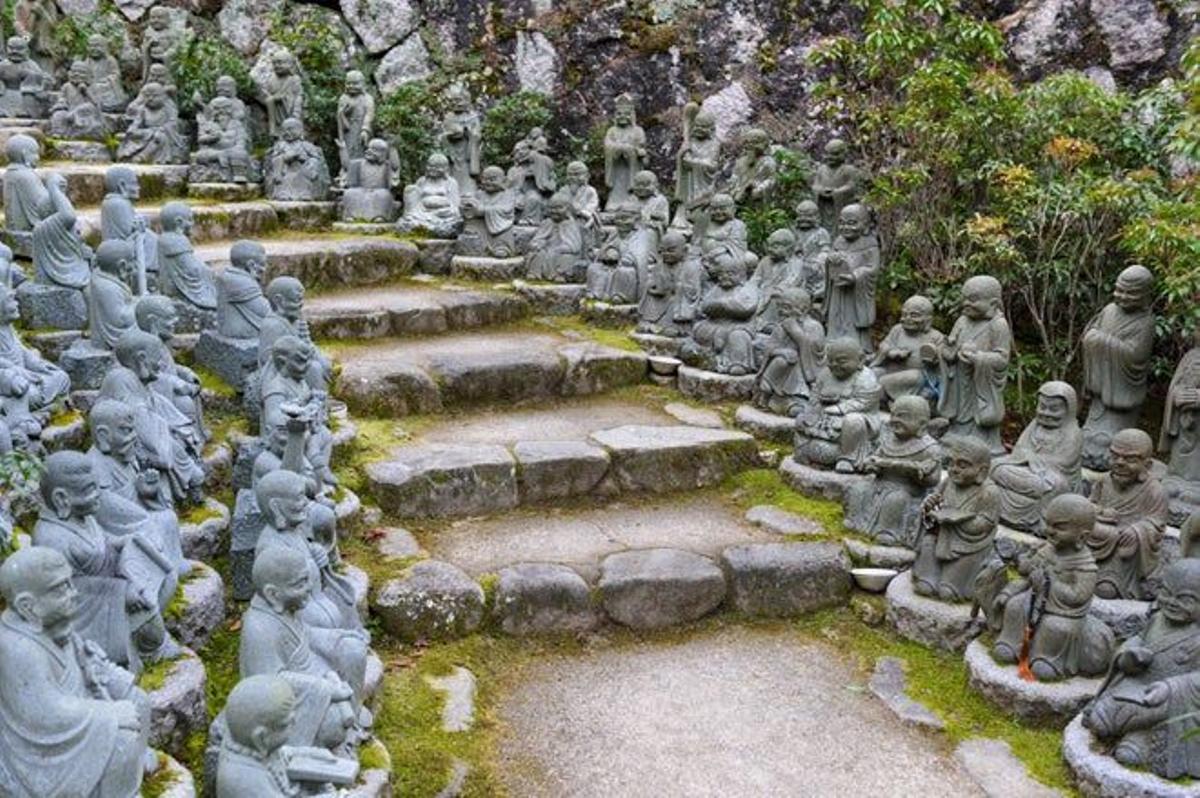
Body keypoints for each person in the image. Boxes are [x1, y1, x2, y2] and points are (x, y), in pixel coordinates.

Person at [0, 546, 153, 798]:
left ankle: (130, 769)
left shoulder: (52, 623)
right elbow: (45, 712)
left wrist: (108, 675)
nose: (74, 593)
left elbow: (83, 656)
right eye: (61, 589)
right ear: (27, 606)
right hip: (41, 751)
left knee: (139, 700)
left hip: (80, 713)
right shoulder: (17, 648)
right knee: (122, 741)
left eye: (71, 583)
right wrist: (109, 713)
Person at [1083, 558, 1200, 779]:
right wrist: (1130, 655)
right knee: (1100, 720)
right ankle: (1135, 734)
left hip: (1170, 700)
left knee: (1131, 719)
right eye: (1166, 593)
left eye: (1185, 599)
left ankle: (1144, 738)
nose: (1172, 602)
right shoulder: (1156, 620)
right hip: (1136, 685)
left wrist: (1171, 687)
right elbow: (1135, 640)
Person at [987, 494, 1115, 681]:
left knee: (1056, 627)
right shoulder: (1047, 550)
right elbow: (1027, 572)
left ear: (1083, 536)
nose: (1050, 531)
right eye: (1048, 524)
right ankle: (1010, 643)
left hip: (1063, 612)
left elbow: (1078, 596)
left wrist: (1050, 582)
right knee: (1015, 606)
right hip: (1035, 598)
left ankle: (1047, 659)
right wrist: (1024, 563)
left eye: (1059, 527)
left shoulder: (1085, 565)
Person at [1080, 265, 1156, 470]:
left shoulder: (1146, 322)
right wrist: (1094, 338)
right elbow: (1091, 331)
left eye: (1130, 293)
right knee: (1087, 435)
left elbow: (1136, 356)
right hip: (1101, 390)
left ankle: (1114, 451)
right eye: (1118, 289)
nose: (1121, 296)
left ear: (1145, 295)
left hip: (1120, 392)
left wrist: (1102, 341)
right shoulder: (1108, 310)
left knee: (1110, 441)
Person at [845, 395, 941, 546]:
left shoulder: (929, 448)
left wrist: (914, 473)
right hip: (880, 482)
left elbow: (933, 479)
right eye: (894, 415)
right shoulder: (888, 440)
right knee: (859, 488)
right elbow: (875, 457)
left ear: (922, 424)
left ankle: (887, 531)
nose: (895, 420)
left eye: (903, 416)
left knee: (895, 499)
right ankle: (854, 520)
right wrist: (871, 466)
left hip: (907, 489)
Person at [912, 435, 999, 599]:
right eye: (950, 463)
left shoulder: (989, 492)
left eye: (963, 465)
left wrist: (960, 521)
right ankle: (928, 578)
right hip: (942, 536)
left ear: (982, 471)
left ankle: (952, 585)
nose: (953, 469)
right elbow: (935, 499)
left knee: (947, 592)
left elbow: (987, 522)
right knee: (928, 542)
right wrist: (929, 504)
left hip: (968, 546)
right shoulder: (948, 482)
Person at [1087, 429, 1169, 600]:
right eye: (1114, 456)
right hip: (1094, 540)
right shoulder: (1104, 481)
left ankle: (1113, 581)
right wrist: (1098, 511)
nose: (1119, 463)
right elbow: (1089, 506)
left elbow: (1156, 525)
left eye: (1130, 459)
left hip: (1121, 551)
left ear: (1147, 465)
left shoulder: (1154, 491)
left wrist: (1137, 530)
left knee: (1105, 591)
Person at [991, 382, 1083, 532]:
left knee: (1056, 485)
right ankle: (991, 508)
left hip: (1048, 477)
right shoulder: (1035, 425)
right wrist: (1027, 457)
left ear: (1068, 410)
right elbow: (1019, 449)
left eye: (1054, 409)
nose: (1046, 413)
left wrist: (1034, 460)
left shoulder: (1073, 432)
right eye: (1042, 407)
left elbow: (1065, 462)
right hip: (1026, 471)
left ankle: (1043, 522)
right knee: (994, 466)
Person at [937, 275, 1011, 454]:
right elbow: (950, 347)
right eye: (964, 299)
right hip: (960, 378)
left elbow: (1002, 358)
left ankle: (980, 438)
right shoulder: (962, 321)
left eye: (973, 299)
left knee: (976, 409)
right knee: (959, 407)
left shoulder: (998, 325)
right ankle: (956, 431)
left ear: (993, 303)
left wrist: (978, 358)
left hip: (980, 382)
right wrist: (946, 350)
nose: (966, 304)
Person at [794, 336, 883, 472]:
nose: (835, 365)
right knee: (802, 418)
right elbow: (815, 394)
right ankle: (805, 449)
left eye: (841, 361)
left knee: (853, 422)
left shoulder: (866, 377)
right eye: (831, 361)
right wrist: (817, 408)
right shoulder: (825, 374)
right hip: (824, 415)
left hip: (856, 417)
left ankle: (847, 458)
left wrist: (839, 408)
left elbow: (864, 401)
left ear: (860, 360)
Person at [822, 203, 880, 352]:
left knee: (852, 320)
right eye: (841, 222)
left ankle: (857, 347)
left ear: (865, 225)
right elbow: (829, 260)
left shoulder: (870, 243)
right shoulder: (838, 241)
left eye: (852, 223)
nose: (845, 227)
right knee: (835, 316)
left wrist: (855, 276)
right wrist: (831, 260)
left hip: (856, 294)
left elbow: (872, 268)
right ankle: (833, 342)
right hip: (837, 290)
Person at [871, 295, 943, 408]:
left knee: (914, 376)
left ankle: (884, 394)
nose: (907, 318)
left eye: (914, 315)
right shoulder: (897, 330)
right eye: (904, 314)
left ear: (928, 319)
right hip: (892, 371)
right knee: (874, 372)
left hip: (916, 379)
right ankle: (887, 397)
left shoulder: (935, 337)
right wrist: (891, 352)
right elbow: (884, 345)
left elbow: (943, 364)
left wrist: (933, 358)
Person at [603, 93, 646, 210]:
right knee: (615, 192)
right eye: (619, 114)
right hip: (617, 168)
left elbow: (641, 146)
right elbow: (607, 145)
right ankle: (614, 201)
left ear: (632, 115)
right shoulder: (612, 131)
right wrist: (619, 148)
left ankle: (632, 192)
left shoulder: (638, 131)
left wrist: (637, 151)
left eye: (626, 114)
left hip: (631, 167)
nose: (623, 116)